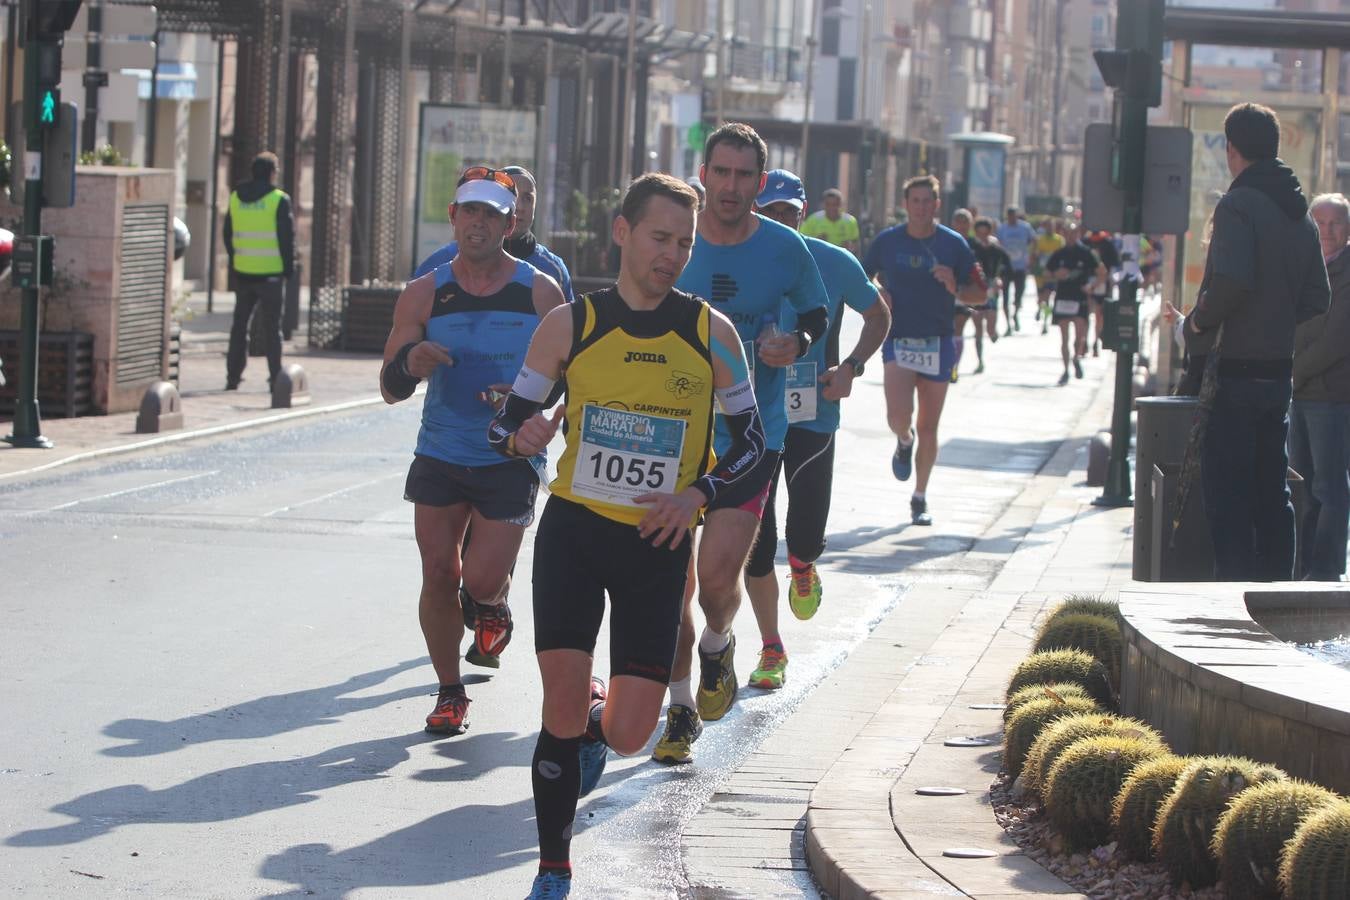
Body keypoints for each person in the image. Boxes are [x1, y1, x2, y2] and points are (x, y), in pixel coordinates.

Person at [489, 174, 764, 899]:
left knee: (632, 735)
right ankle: (553, 867)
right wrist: (525, 434)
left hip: (658, 543)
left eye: (685, 242)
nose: (672, 254)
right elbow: (506, 424)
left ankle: (604, 714)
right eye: (659, 237)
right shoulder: (571, 325)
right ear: (622, 231)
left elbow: (754, 441)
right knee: (558, 703)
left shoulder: (712, 334)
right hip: (575, 531)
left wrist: (697, 494)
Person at [651, 123, 829, 765]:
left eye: (743, 175)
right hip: (668, 436)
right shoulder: (675, 240)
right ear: (703, 174)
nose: (730, 186)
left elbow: (816, 313)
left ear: (760, 182)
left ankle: (720, 644)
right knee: (672, 588)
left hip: (751, 438)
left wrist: (798, 344)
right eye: (720, 173)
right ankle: (678, 707)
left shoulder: (784, 248)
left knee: (717, 578)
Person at [379, 166, 566, 736]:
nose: (479, 223)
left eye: (492, 213)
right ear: (454, 217)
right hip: (440, 450)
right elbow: (389, 386)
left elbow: (566, 375)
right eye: (469, 211)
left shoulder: (539, 290)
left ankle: (491, 604)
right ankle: (449, 691)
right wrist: (410, 364)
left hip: (507, 454)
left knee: (482, 579)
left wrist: (529, 400)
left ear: (510, 223)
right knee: (438, 571)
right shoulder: (424, 292)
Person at [744, 170, 890, 690]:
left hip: (812, 415)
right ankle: (771, 646)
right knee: (756, 546)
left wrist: (851, 366)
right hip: (752, 418)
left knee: (801, 536)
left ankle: (803, 565)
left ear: (803, 213)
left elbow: (879, 316)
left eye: (789, 211)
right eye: (770, 211)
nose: (780, 220)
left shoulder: (833, 260)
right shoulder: (736, 261)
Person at [1184, 102, 1329, 581]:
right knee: (1273, 493)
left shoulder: (1239, 204)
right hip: (1277, 375)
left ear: (1232, 149)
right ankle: (1276, 598)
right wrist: (1277, 321)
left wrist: (1199, 323)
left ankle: (1233, 604)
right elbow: (1317, 297)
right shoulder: (1299, 213)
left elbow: (1230, 282)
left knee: (1226, 493)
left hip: (1236, 373)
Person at [863, 175, 982, 527]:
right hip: (898, 339)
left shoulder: (954, 244)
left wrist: (956, 286)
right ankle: (903, 439)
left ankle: (920, 497)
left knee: (930, 425)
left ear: (937, 205)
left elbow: (981, 294)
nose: (921, 207)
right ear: (905, 204)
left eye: (927, 201)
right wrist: (876, 294)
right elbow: (860, 277)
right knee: (898, 417)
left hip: (938, 341)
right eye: (915, 201)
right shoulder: (887, 242)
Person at [1290, 193, 1350, 581]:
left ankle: (1326, 569)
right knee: (1303, 486)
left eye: (1335, 223)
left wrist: (1293, 372)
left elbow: (1336, 340)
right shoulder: (1304, 267)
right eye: (1320, 222)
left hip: (1331, 395)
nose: (1327, 231)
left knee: (1330, 488)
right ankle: (1304, 567)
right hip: (1300, 393)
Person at [413, 165, 575, 303]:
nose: (519, 207)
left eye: (527, 198)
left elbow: (569, 332)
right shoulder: (437, 264)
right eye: (514, 198)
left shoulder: (553, 270)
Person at [223, 151, 295, 391]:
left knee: (239, 325)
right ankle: (276, 378)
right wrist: (287, 270)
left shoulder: (235, 197)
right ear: (272, 173)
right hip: (271, 274)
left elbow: (227, 233)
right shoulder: (278, 199)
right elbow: (287, 239)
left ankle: (232, 377)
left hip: (244, 272)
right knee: (272, 328)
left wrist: (236, 259)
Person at [1046, 222, 1106, 385]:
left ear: (1078, 234)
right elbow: (1047, 272)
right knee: (1064, 337)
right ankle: (1065, 370)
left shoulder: (1086, 253)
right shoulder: (1059, 253)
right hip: (1063, 298)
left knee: (1079, 337)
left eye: (1074, 233)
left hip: (1079, 298)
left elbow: (1102, 272)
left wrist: (1092, 287)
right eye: (1067, 233)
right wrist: (1055, 274)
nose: (1070, 236)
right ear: (1063, 234)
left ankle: (1076, 358)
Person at [969, 216, 1011, 374]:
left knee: (990, 328)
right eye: (979, 234)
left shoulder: (996, 250)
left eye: (984, 234)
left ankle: (993, 333)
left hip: (991, 289)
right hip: (975, 291)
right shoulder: (970, 248)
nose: (981, 237)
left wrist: (1000, 280)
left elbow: (1008, 267)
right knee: (978, 328)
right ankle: (980, 361)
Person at [997, 206, 1035, 334]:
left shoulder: (1025, 227)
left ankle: (1016, 313)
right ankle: (1008, 324)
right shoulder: (1002, 228)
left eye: (1013, 215)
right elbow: (997, 244)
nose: (1012, 218)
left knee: (1019, 295)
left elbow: (1033, 241)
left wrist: (1030, 256)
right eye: (1009, 215)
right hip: (1006, 267)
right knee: (1005, 296)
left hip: (1020, 266)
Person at [1083, 230, 1122, 356]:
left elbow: (1114, 264)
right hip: (1088, 283)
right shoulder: (1086, 242)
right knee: (1089, 316)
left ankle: (1093, 343)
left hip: (1103, 284)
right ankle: (1086, 342)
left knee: (1098, 316)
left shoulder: (1106, 243)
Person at [801, 187, 861, 256]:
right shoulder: (813, 220)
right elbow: (803, 242)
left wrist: (850, 248)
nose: (832, 208)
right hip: (820, 260)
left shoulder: (850, 221)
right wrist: (816, 242)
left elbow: (856, 245)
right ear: (823, 205)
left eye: (835, 204)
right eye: (828, 204)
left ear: (841, 205)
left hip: (842, 260)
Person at [1032, 218, 1065, 334]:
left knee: (1047, 298)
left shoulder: (1059, 240)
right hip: (1041, 274)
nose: (1050, 228)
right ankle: (1039, 309)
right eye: (1048, 226)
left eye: (1052, 226)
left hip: (1053, 275)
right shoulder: (1040, 240)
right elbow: (1035, 256)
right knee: (1041, 298)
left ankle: (1045, 322)